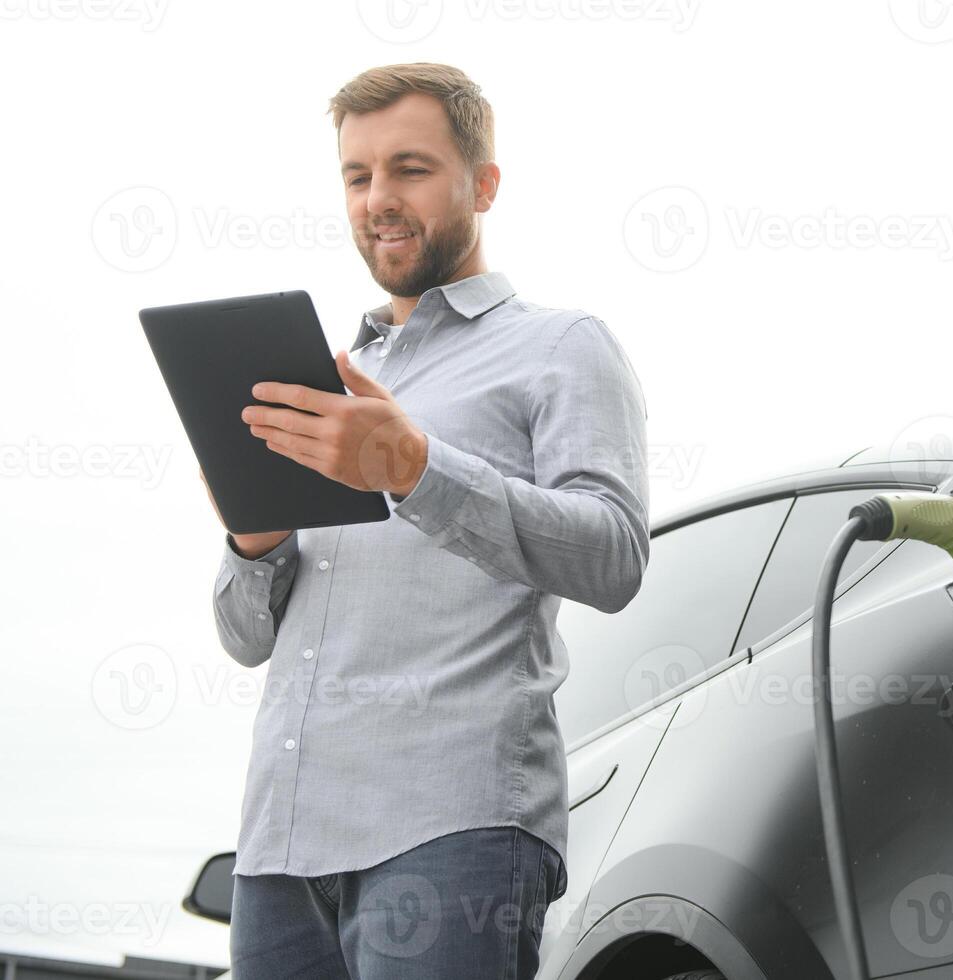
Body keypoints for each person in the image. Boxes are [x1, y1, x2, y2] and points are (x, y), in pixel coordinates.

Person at [200, 62, 651, 979]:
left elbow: (613, 555)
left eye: (409, 168)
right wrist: (255, 541)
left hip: (451, 832)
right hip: (278, 851)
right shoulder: (320, 384)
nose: (379, 200)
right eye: (357, 176)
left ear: (483, 183)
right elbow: (247, 639)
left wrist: (414, 467)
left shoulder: (561, 346)